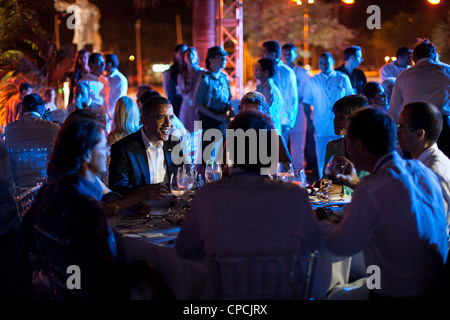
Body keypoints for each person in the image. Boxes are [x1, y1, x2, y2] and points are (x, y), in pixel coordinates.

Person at [176, 110, 341, 300]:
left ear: (230, 150)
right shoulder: (295, 196)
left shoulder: (207, 196)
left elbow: (185, 250)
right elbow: (314, 248)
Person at [17, 115, 162, 300]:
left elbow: (24, 240)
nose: (109, 152)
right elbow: (100, 280)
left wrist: (60, 272)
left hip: (63, 293)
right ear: (86, 154)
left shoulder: (48, 191)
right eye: (103, 147)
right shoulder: (88, 207)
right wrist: (144, 270)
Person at [322, 107, 448, 300]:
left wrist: (321, 222)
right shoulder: (422, 171)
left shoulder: (372, 188)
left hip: (399, 291)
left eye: (347, 141)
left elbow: (341, 246)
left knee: (330, 293)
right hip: (433, 282)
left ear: (359, 146)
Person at [389, 38, 450, 159]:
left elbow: (394, 110)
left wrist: (395, 135)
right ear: (434, 57)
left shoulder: (404, 76)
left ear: (413, 59)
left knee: (414, 167)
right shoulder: (447, 71)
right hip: (442, 127)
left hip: (412, 127)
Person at [109, 96, 182, 195]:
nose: (168, 123)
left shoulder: (174, 144)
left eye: (171, 117)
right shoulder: (123, 148)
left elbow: (184, 176)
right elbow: (118, 188)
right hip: (140, 208)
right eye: (161, 117)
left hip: (171, 207)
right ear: (144, 120)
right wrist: (147, 191)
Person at [397, 101, 450, 231]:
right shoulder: (428, 159)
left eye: (401, 128)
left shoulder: (431, 172)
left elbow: (430, 227)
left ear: (419, 134)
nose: (397, 133)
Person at [302, 52, 354, 178]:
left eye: (327, 63)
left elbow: (351, 99)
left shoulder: (342, 78)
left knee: (342, 157)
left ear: (332, 63)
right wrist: (309, 121)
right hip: (320, 124)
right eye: (321, 63)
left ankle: (342, 183)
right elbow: (306, 103)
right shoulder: (313, 81)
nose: (324, 65)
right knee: (322, 157)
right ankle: (323, 183)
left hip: (341, 124)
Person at [312, 94, 370, 195]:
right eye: (335, 116)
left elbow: (370, 190)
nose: (335, 120)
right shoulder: (333, 146)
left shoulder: (369, 149)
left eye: (342, 117)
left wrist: (342, 190)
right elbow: (327, 180)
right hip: (335, 203)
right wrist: (320, 184)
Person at [261, 40, 298, 146]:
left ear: (272, 54)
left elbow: (292, 98)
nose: (262, 55)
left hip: (281, 121)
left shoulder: (286, 71)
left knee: (279, 154)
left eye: (264, 52)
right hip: (265, 121)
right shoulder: (263, 71)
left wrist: (287, 121)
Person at [282, 43, 310, 172]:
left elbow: (305, 95)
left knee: (298, 147)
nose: (287, 56)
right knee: (279, 146)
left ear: (295, 54)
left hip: (298, 112)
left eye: (290, 53)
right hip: (282, 112)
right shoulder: (278, 71)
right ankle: (281, 177)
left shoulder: (303, 73)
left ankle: (298, 176)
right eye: (285, 53)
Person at [177, 46, 205, 132]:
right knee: (185, 131)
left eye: (193, 54)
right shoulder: (181, 75)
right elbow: (181, 92)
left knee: (197, 131)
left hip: (198, 106)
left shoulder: (202, 73)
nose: (191, 57)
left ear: (197, 57)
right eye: (188, 55)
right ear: (184, 59)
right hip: (186, 106)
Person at [255, 57, 283, 134]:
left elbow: (266, 113)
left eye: (258, 69)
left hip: (269, 132)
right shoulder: (262, 88)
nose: (255, 72)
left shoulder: (269, 90)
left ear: (266, 73)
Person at [78, 52, 109, 123]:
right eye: (99, 62)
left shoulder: (104, 80)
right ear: (91, 64)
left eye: (103, 62)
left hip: (104, 121)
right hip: (92, 121)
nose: (103, 65)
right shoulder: (84, 82)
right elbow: (81, 106)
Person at [163, 44, 188, 117]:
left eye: (185, 52)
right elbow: (166, 89)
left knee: (193, 124)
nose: (183, 54)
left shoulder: (190, 70)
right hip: (175, 102)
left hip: (188, 103)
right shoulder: (170, 71)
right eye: (181, 52)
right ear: (175, 54)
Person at [105, 54, 128, 123]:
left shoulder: (119, 79)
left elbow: (117, 98)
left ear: (109, 64)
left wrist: (108, 112)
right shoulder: (105, 77)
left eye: (104, 63)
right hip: (106, 114)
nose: (102, 65)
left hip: (113, 115)